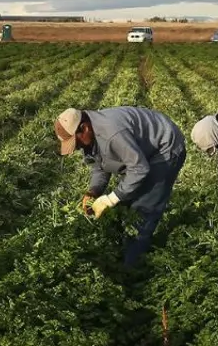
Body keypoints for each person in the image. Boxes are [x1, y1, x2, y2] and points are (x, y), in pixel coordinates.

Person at [55, 106, 187, 268]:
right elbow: (100, 166)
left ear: (84, 128)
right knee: (125, 204)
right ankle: (122, 251)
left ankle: (131, 269)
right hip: (142, 154)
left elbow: (139, 169)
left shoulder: (112, 133)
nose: (77, 147)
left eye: (76, 142)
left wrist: (111, 198)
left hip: (165, 147)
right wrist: (93, 191)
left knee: (141, 212)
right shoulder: (91, 137)